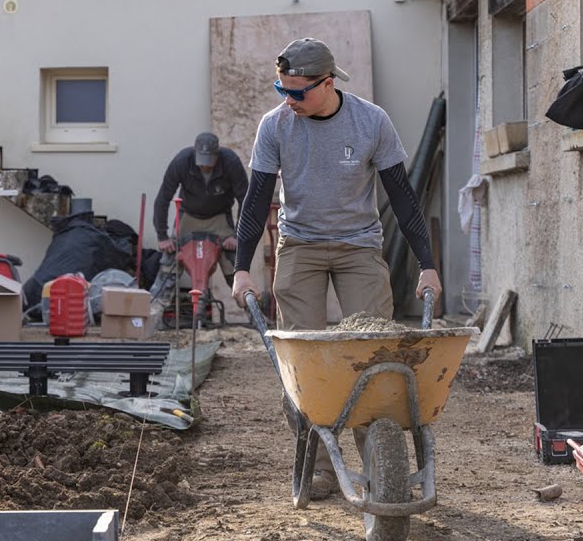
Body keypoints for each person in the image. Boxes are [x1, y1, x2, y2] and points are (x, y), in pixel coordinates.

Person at [231, 37, 441, 500]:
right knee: (303, 361)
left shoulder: (371, 121)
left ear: (328, 83)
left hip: (358, 246)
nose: (288, 100)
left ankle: (380, 467)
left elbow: (403, 198)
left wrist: (427, 265)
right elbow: (256, 199)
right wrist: (242, 268)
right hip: (299, 245)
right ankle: (321, 469)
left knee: (375, 355)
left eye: (297, 92)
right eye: (281, 89)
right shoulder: (275, 125)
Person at [153, 131, 248, 288]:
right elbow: (163, 198)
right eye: (202, 161)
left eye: (210, 161)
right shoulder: (182, 161)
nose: (205, 166)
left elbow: (245, 199)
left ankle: (248, 301)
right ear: (195, 152)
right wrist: (162, 236)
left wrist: (238, 237)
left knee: (236, 269)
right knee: (168, 267)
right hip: (188, 216)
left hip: (219, 218)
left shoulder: (231, 162)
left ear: (217, 155)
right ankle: (158, 302)